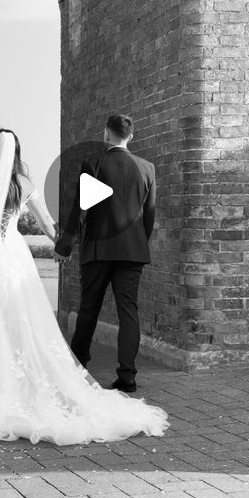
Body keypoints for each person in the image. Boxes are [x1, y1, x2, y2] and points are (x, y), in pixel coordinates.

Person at [0, 128, 168, 445]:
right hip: (13, 253)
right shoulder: (24, 183)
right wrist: (61, 246)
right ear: (16, 152)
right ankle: (23, 371)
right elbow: (46, 222)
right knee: (18, 314)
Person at [55, 115, 156, 393]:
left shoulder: (94, 165)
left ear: (106, 134)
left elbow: (80, 210)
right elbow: (149, 215)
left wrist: (65, 248)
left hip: (99, 250)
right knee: (128, 312)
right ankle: (128, 376)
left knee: (89, 309)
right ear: (131, 136)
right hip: (133, 252)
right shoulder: (147, 168)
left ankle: (77, 370)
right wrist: (136, 244)